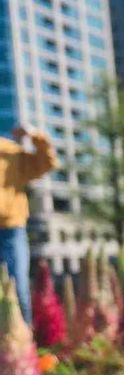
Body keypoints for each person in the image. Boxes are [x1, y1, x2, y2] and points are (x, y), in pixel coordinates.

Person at [0, 125, 56, 323]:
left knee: (18, 288)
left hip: (10, 231)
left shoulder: (9, 151)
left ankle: (25, 344)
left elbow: (47, 163)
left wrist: (35, 136)